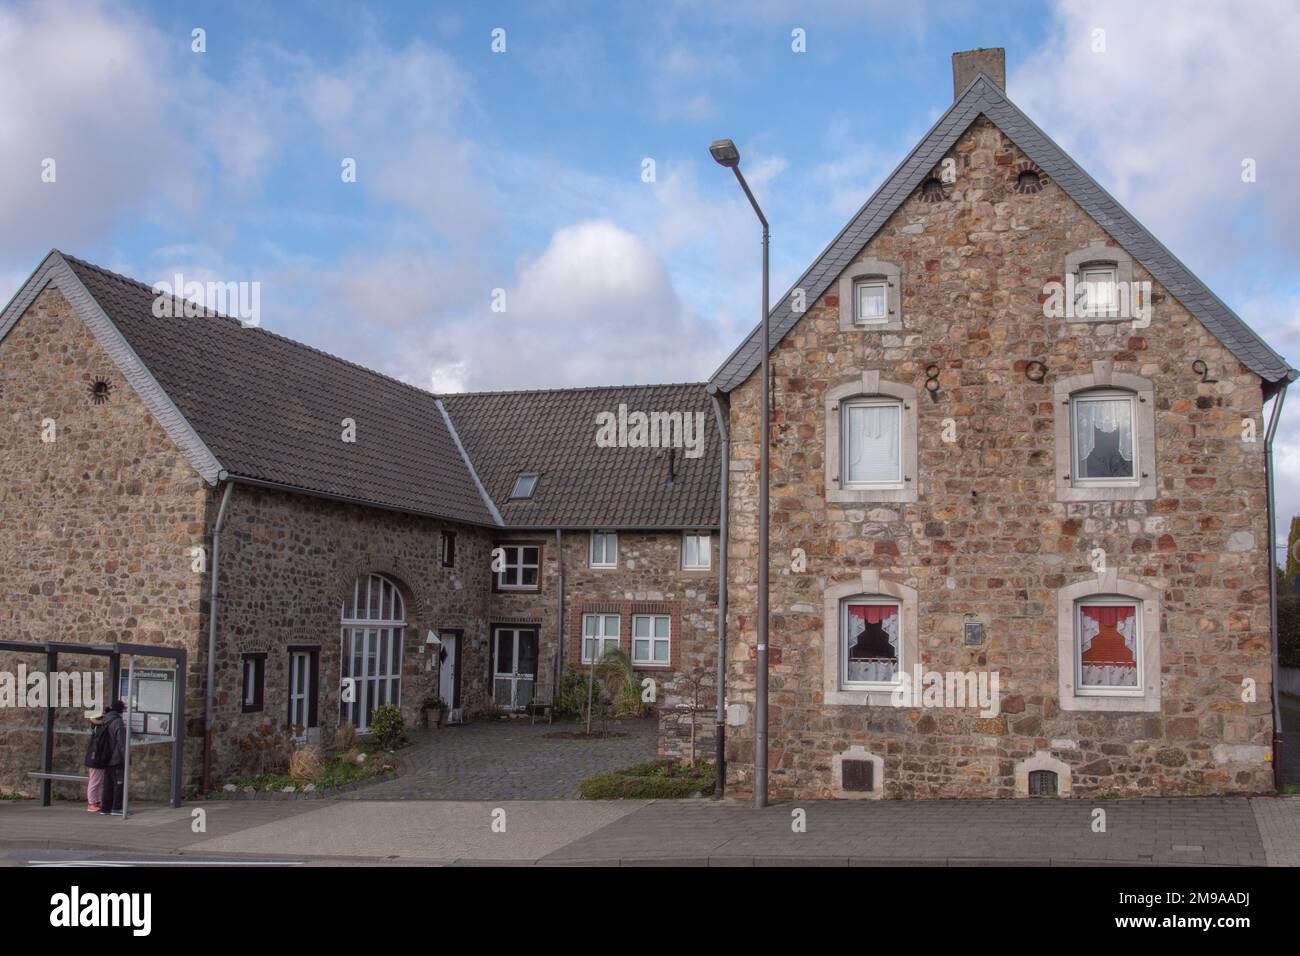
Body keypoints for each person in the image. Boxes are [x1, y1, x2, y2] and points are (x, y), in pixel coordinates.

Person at [99, 699, 128, 816]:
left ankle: (105, 808)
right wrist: (126, 758)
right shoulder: (118, 722)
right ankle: (116, 808)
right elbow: (121, 742)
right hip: (116, 758)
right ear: (120, 710)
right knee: (119, 783)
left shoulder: (104, 719)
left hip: (105, 756)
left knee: (107, 784)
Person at [83, 708, 111, 813]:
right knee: (95, 782)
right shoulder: (99, 730)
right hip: (96, 759)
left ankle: (96, 801)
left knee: (97, 781)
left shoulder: (96, 729)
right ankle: (92, 803)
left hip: (95, 758)